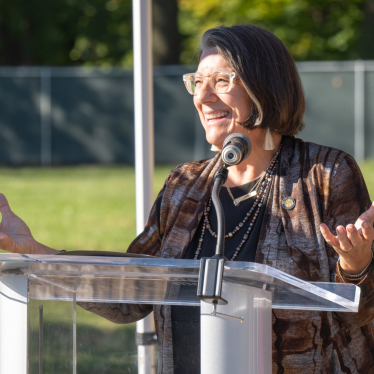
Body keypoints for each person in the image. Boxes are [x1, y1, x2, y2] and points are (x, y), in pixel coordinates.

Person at [1, 24, 374, 373]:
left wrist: (356, 266)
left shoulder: (324, 174)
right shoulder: (186, 184)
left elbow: (359, 314)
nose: (202, 95)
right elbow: (131, 292)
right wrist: (36, 253)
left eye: (220, 81)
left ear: (265, 86)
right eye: (197, 81)